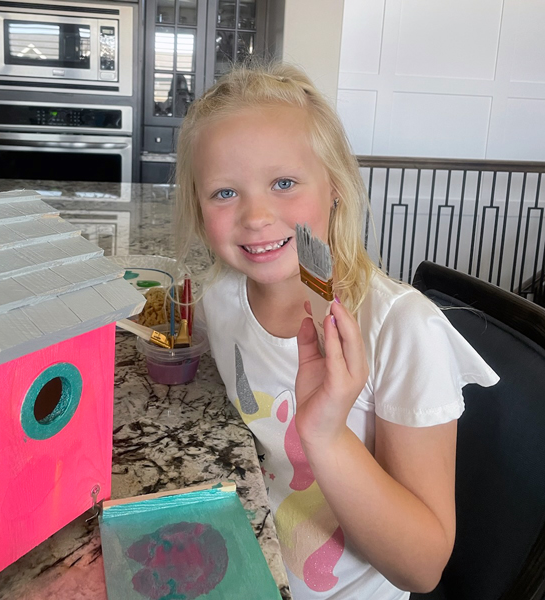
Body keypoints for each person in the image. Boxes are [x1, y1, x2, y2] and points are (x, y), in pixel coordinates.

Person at [173, 62, 499, 599]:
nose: (255, 215)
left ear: (335, 189)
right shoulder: (221, 298)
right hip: (247, 568)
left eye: (284, 183)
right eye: (224, 193)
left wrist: (323, 432)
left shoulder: (399, 328)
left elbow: (422, 567)